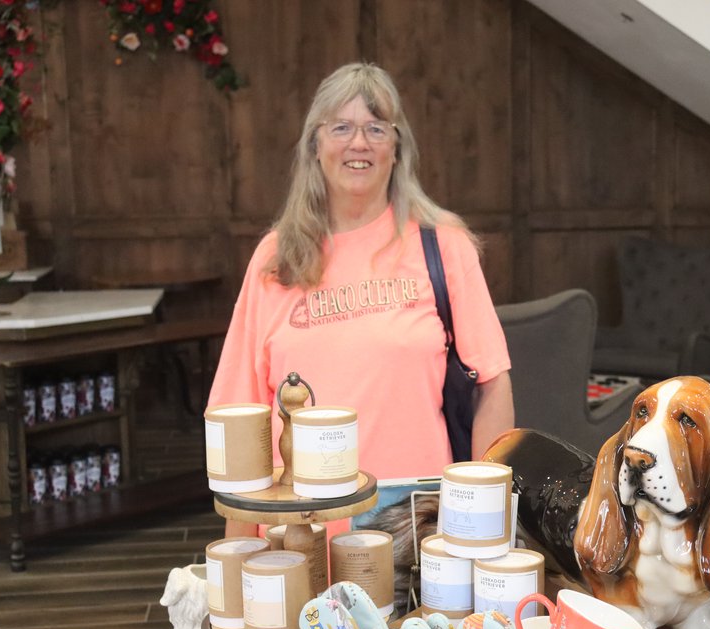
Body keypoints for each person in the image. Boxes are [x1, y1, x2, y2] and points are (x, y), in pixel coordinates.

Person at [209, 62, 514, 537]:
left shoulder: (444, 247)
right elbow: (240, 412)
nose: (359, 143)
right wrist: (241, 560)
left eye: (376, 127)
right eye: (342, 127)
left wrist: (482, 525)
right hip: (295, 535)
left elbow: (492, 385)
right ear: (315, 145)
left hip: (416, 531)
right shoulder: (275, 259)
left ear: (398, 148)